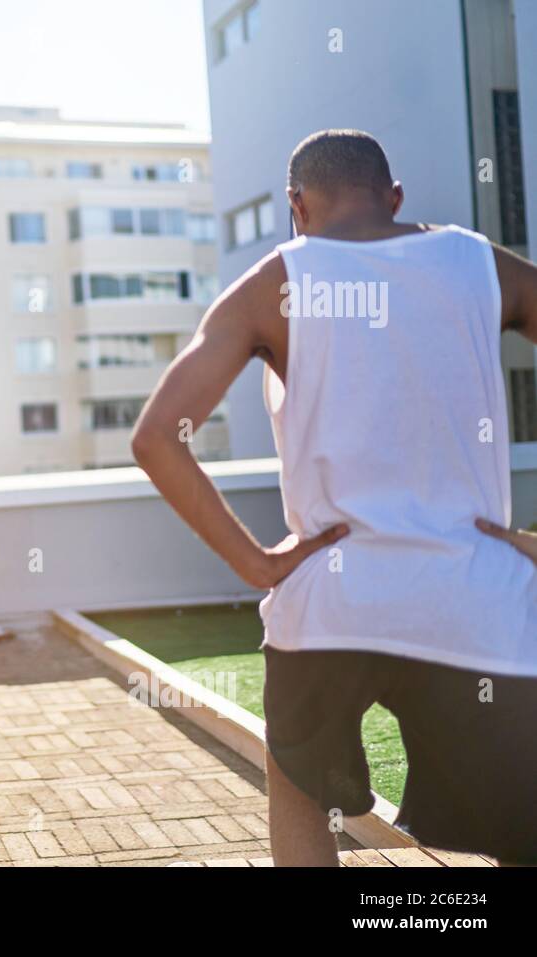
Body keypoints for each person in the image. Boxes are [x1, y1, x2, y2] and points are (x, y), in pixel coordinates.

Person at [130, 128, 537, 866]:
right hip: (477, 599)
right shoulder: (482, 264)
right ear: (395, 196)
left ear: (296, 207)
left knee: (298, 791)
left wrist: (255, 563)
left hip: (331, 603)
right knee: (523, 827)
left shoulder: (273, 283)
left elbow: (157, 436)